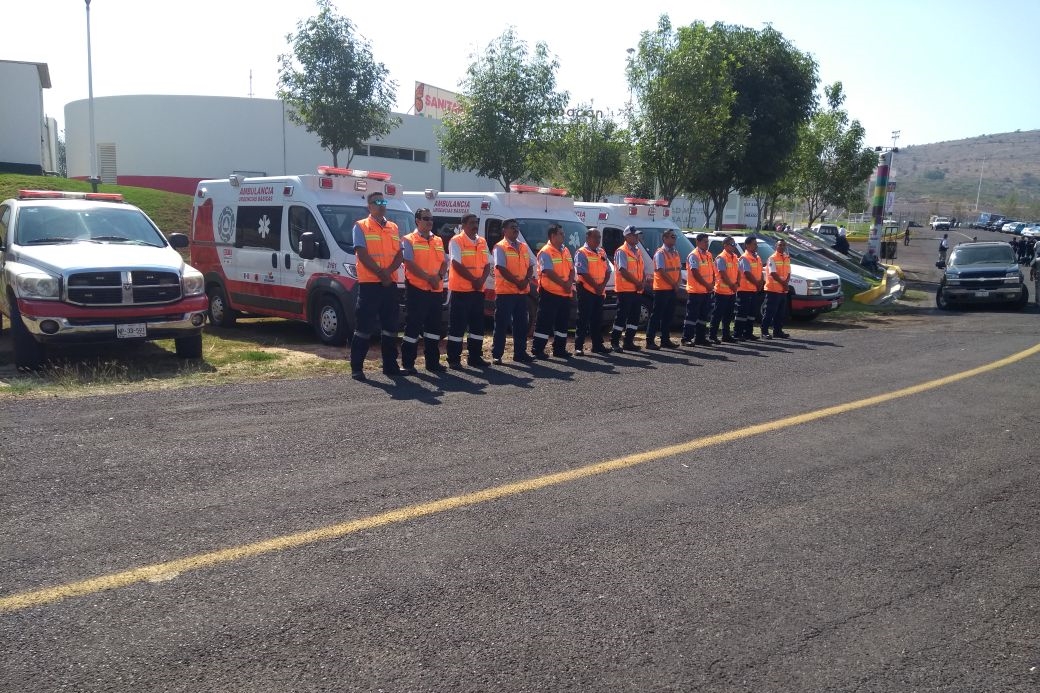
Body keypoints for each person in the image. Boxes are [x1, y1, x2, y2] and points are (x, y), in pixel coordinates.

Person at [349, 191, 404, 381]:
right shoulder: (361, 226)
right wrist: (382, 274)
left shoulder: (394, 227)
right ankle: (357, 367)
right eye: (377, 202)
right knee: (363, 328)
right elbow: (362, 254)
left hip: (389, 285)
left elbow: (399, 254)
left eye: (383, 201)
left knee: (390, 327)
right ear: (369, 206)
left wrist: (387, 274)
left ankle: (390, 365)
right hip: (370, 285)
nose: (381, 205)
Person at [400, 207, 447, 374]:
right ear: (417, 221)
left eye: (431, 219)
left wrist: (439, 277)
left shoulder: (438, 240)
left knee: (434, 328)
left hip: (435, 290)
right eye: (426, 218)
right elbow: (409, 263)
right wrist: (429, 278)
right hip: (417, 290)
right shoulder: (408, 240)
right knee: (413, 328)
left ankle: (432, 362)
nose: (430, 222)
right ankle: (407, 363)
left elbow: (444, 262)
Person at [446, 213, 491, 369]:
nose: (475, 225)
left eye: (476, 222)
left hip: (478, 291)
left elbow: (487, 265)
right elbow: (456, 264)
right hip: (461, 291)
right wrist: (474, 280)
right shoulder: (456, 241)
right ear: (463, 225)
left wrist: (481, 281)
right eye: (471, 222)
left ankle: (475, 357)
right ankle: (453, 359)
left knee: (477, 326)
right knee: (457, 327)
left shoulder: (482, 241)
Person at [490, 218, 534, 365]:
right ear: (504, 230)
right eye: (512, 227)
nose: (516, 229)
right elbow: (501, 268)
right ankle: (497, 354)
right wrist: (518, 282)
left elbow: (530, 266)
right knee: (501, 324)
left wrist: (526, 280)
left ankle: (520, 353)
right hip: (506, 293)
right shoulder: (499, 247)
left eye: (517, 227)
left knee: (521, 324)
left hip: (521, 293)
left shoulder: (523, 246)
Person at [531, 223, 575, 359]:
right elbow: (548, 271)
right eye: (561, 234)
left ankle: (559, 349)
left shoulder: (566, 250)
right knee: (544, 322)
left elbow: (572, 269)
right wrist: (564, 283)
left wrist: (569, 282)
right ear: (553, 236)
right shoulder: (545, 251)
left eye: (563, 233)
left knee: (562, 323)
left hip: (564, 293)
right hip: (549, 293)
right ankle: (537, 349)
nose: (564, 236)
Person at [573, 227, 612, 355]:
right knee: (583, 319)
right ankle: (578, 346)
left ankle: (597, 345)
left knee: (597, 319)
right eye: (595, 237)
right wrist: (596, 286)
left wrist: (602, 286)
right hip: (586, 290)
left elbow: (608, 271)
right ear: (588, 238)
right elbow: (582, 272)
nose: (598, 240)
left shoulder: (601, 252)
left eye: (599, 237)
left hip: (599, 291)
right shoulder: (581, 252)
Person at [611, 225, 647, 352]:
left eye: (637, 234)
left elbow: (641, 269)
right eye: (634, 235)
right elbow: (623, 270)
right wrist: (638, 282)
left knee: (634, 317)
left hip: (636, 290)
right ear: (627, 236)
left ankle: (628, 342)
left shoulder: (637, 251)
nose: (637, 237)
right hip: (625, 290)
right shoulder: (622, 251)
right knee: (621, 317)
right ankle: (615, 342)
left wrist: (642, 281)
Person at [645, 228, 681, 349]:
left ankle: (665, 340)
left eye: (675, 236)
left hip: (672, 289)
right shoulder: (660, 253)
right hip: (662, 289)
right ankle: (650, 340)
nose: (674, 238)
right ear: (664, 238)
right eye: (672, 236)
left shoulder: (675, 252)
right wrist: (674, 283)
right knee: (657, 315)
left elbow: (678, 270)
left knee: (668, 315)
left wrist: (678, 283)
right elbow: (661, 271)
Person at [681, 232, 716, 347]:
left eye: (707, 242)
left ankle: (700, 337)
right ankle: (686, 338)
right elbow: (695, 273)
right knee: (691, 316)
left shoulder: (709, 255)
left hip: (706, 291)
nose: (707, 244)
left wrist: (712, 283)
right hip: (696, 291)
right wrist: (707, 284)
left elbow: (712, 271)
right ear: (698, 242)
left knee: (703, 316)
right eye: (705, 242)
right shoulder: (693, 255)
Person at [709, 235, 741, 344]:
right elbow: (722, 274)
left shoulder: (735, 257)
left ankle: (726, 335)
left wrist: (737, 283)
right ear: (725, 245)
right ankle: (712, 335)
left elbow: (738, 272)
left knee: (728, 315)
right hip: (721, 291)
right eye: (732, 244)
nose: (734, 246)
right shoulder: (721, 258)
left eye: (734, 244)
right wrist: (732, 284)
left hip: (732, 291)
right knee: (717, 314)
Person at [734, 236, 764, 341]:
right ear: (747, 245)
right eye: (754, 244)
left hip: (754, 289)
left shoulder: (757, 257)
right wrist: (757, 283)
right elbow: (747, 273)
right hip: (744, 290)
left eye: (756, 244)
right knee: (742, 313)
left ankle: (748, 333)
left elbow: (760, 272)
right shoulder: (744, 257)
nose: (756, 246)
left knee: (752, 313)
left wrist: (761, 282)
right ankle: (738, 333)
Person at [761, 238, 791, 339]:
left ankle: (777, 331)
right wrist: (784, 283)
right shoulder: (772, 258)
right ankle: (764, 331)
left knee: (780, 312)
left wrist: (786, 283)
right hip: (773, 289)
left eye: (783, 245)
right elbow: (773, 273)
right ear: (776, 246)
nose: (782, 247)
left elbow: (788, 273)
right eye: (780, 245)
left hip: (782, 290)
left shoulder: (787, 258)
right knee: (769, 312)